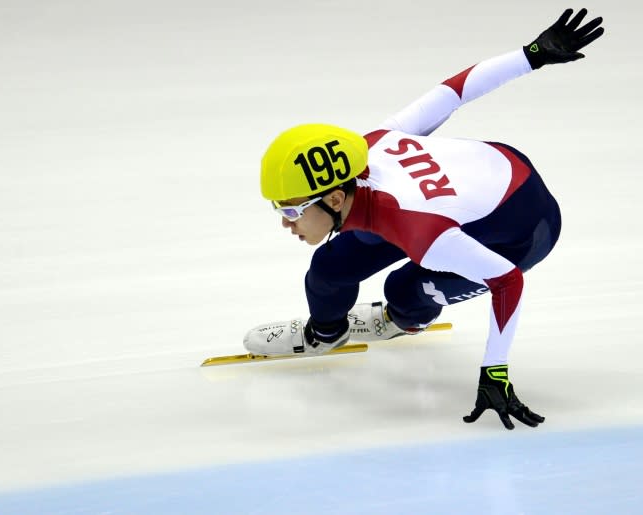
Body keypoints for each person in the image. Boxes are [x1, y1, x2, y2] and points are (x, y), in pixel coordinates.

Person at [243, 8, 604, 430]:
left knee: (407, 288)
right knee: (328, 269)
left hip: (523, 228)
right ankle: (326, 334)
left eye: (291, 210)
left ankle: (401, 320)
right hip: (474, 186)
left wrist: (495, 372)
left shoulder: (421, 230)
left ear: (336, 196)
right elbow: (454, 91)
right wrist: (532, 54)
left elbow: (508, 280)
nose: (286, 222)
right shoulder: (371, 145)